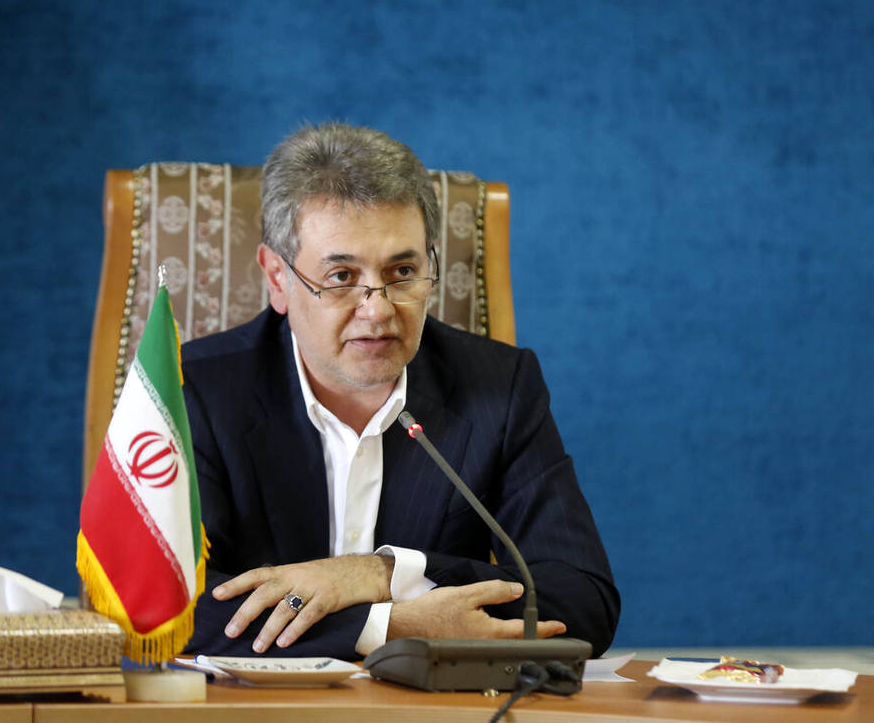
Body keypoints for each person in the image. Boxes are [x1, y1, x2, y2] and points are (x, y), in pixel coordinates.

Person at [181, 123, 619, 661]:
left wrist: (379, 573)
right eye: (342, 276)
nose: (379, 309)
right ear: (278, 278)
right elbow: (158, 607)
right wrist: (387, 626)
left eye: (403, 271)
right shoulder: (194, 389)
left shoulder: (499, 388)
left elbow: (584, 601)